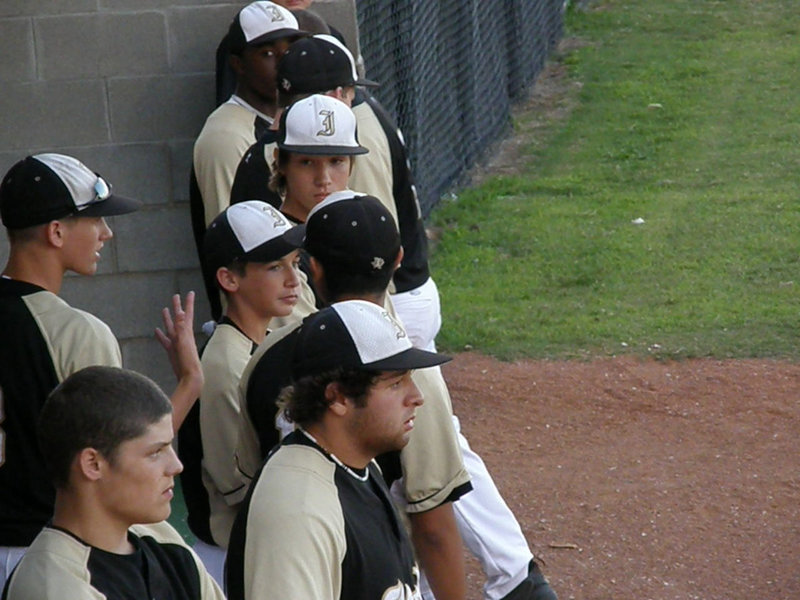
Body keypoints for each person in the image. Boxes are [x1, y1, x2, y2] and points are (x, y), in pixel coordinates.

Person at [241, 191, 559, 600]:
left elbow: (246, 481)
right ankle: (517, 578)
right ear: (397, 261)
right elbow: (433, 522)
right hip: (375, 565)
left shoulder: (264, 357)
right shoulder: (415, 378)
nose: (411, 394)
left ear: (311, 268)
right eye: (396, 383)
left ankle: (517, 576)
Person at [0, 153, 202, 585]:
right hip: (44, 559)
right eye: (95, 220)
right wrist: (190, 382)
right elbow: (124, 452)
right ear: (56, 231)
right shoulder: (76, 332)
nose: (106, 234)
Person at [226, 300, 451, 600]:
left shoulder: (360, 466)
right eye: (396, 383)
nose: (417, 397)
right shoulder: (298, 508)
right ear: (338, 397)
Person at [233, 33, 440, 351]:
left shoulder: (348, 225)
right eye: (306, 162)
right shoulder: (276, 249)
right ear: (281, 162)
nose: (323, 179)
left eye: (336, 161)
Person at [1, 366, 224, 600]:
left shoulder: (164, 543)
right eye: (155, 452)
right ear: (93, 464)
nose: (176, 466)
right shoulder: (55, 587)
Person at [177, 200, 304, 583]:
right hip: (232, 560)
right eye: (273, 267)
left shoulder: (262, 342)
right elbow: (240, 488)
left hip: (256, 548)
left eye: (295, 263)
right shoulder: (226, 365)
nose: (293, 279)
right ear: (229, 280)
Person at [191, 1, 306, 320]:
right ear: (238, 64)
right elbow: (236, 250)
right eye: (268, 53)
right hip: (265, 326)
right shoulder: (227, 136)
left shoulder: (289, 123)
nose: (284, 64)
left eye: (291, 50)